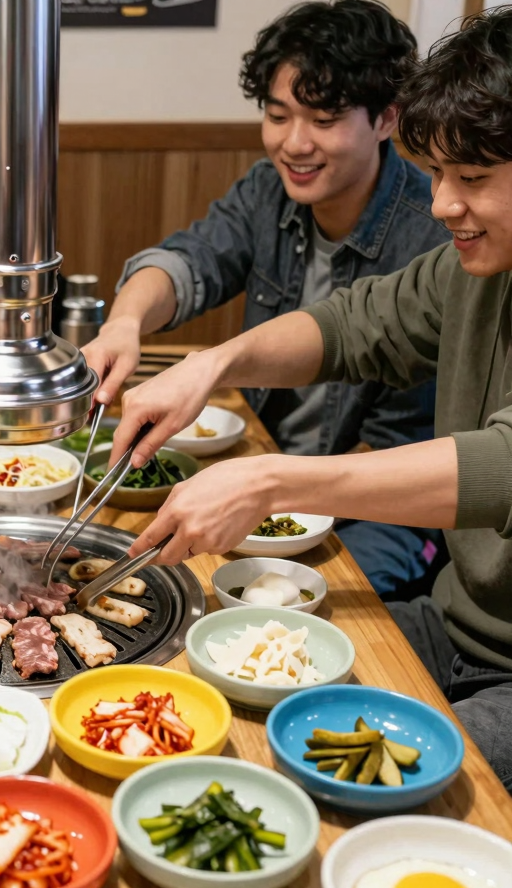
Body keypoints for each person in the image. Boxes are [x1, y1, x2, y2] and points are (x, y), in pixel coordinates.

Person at [108, 7, 512, 793]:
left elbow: (500, 466)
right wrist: (212, 361)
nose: (441, 206)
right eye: (436, 176)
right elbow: (353, 323)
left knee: (373, 792)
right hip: (452, 620)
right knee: (235, 702)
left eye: (473, 179)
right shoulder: (477, 264)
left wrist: (271, 480)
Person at [82, 0, 450, 598]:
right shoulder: (268, 193)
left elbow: (401, 447)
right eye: (279, 115)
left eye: (324, 120)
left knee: (281, 615)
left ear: (386, 118)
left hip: (382, 509)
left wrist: (271, 488)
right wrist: (125, 322)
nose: (294, 144)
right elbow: (191, 259)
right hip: (267, 478)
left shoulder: (431, 234)